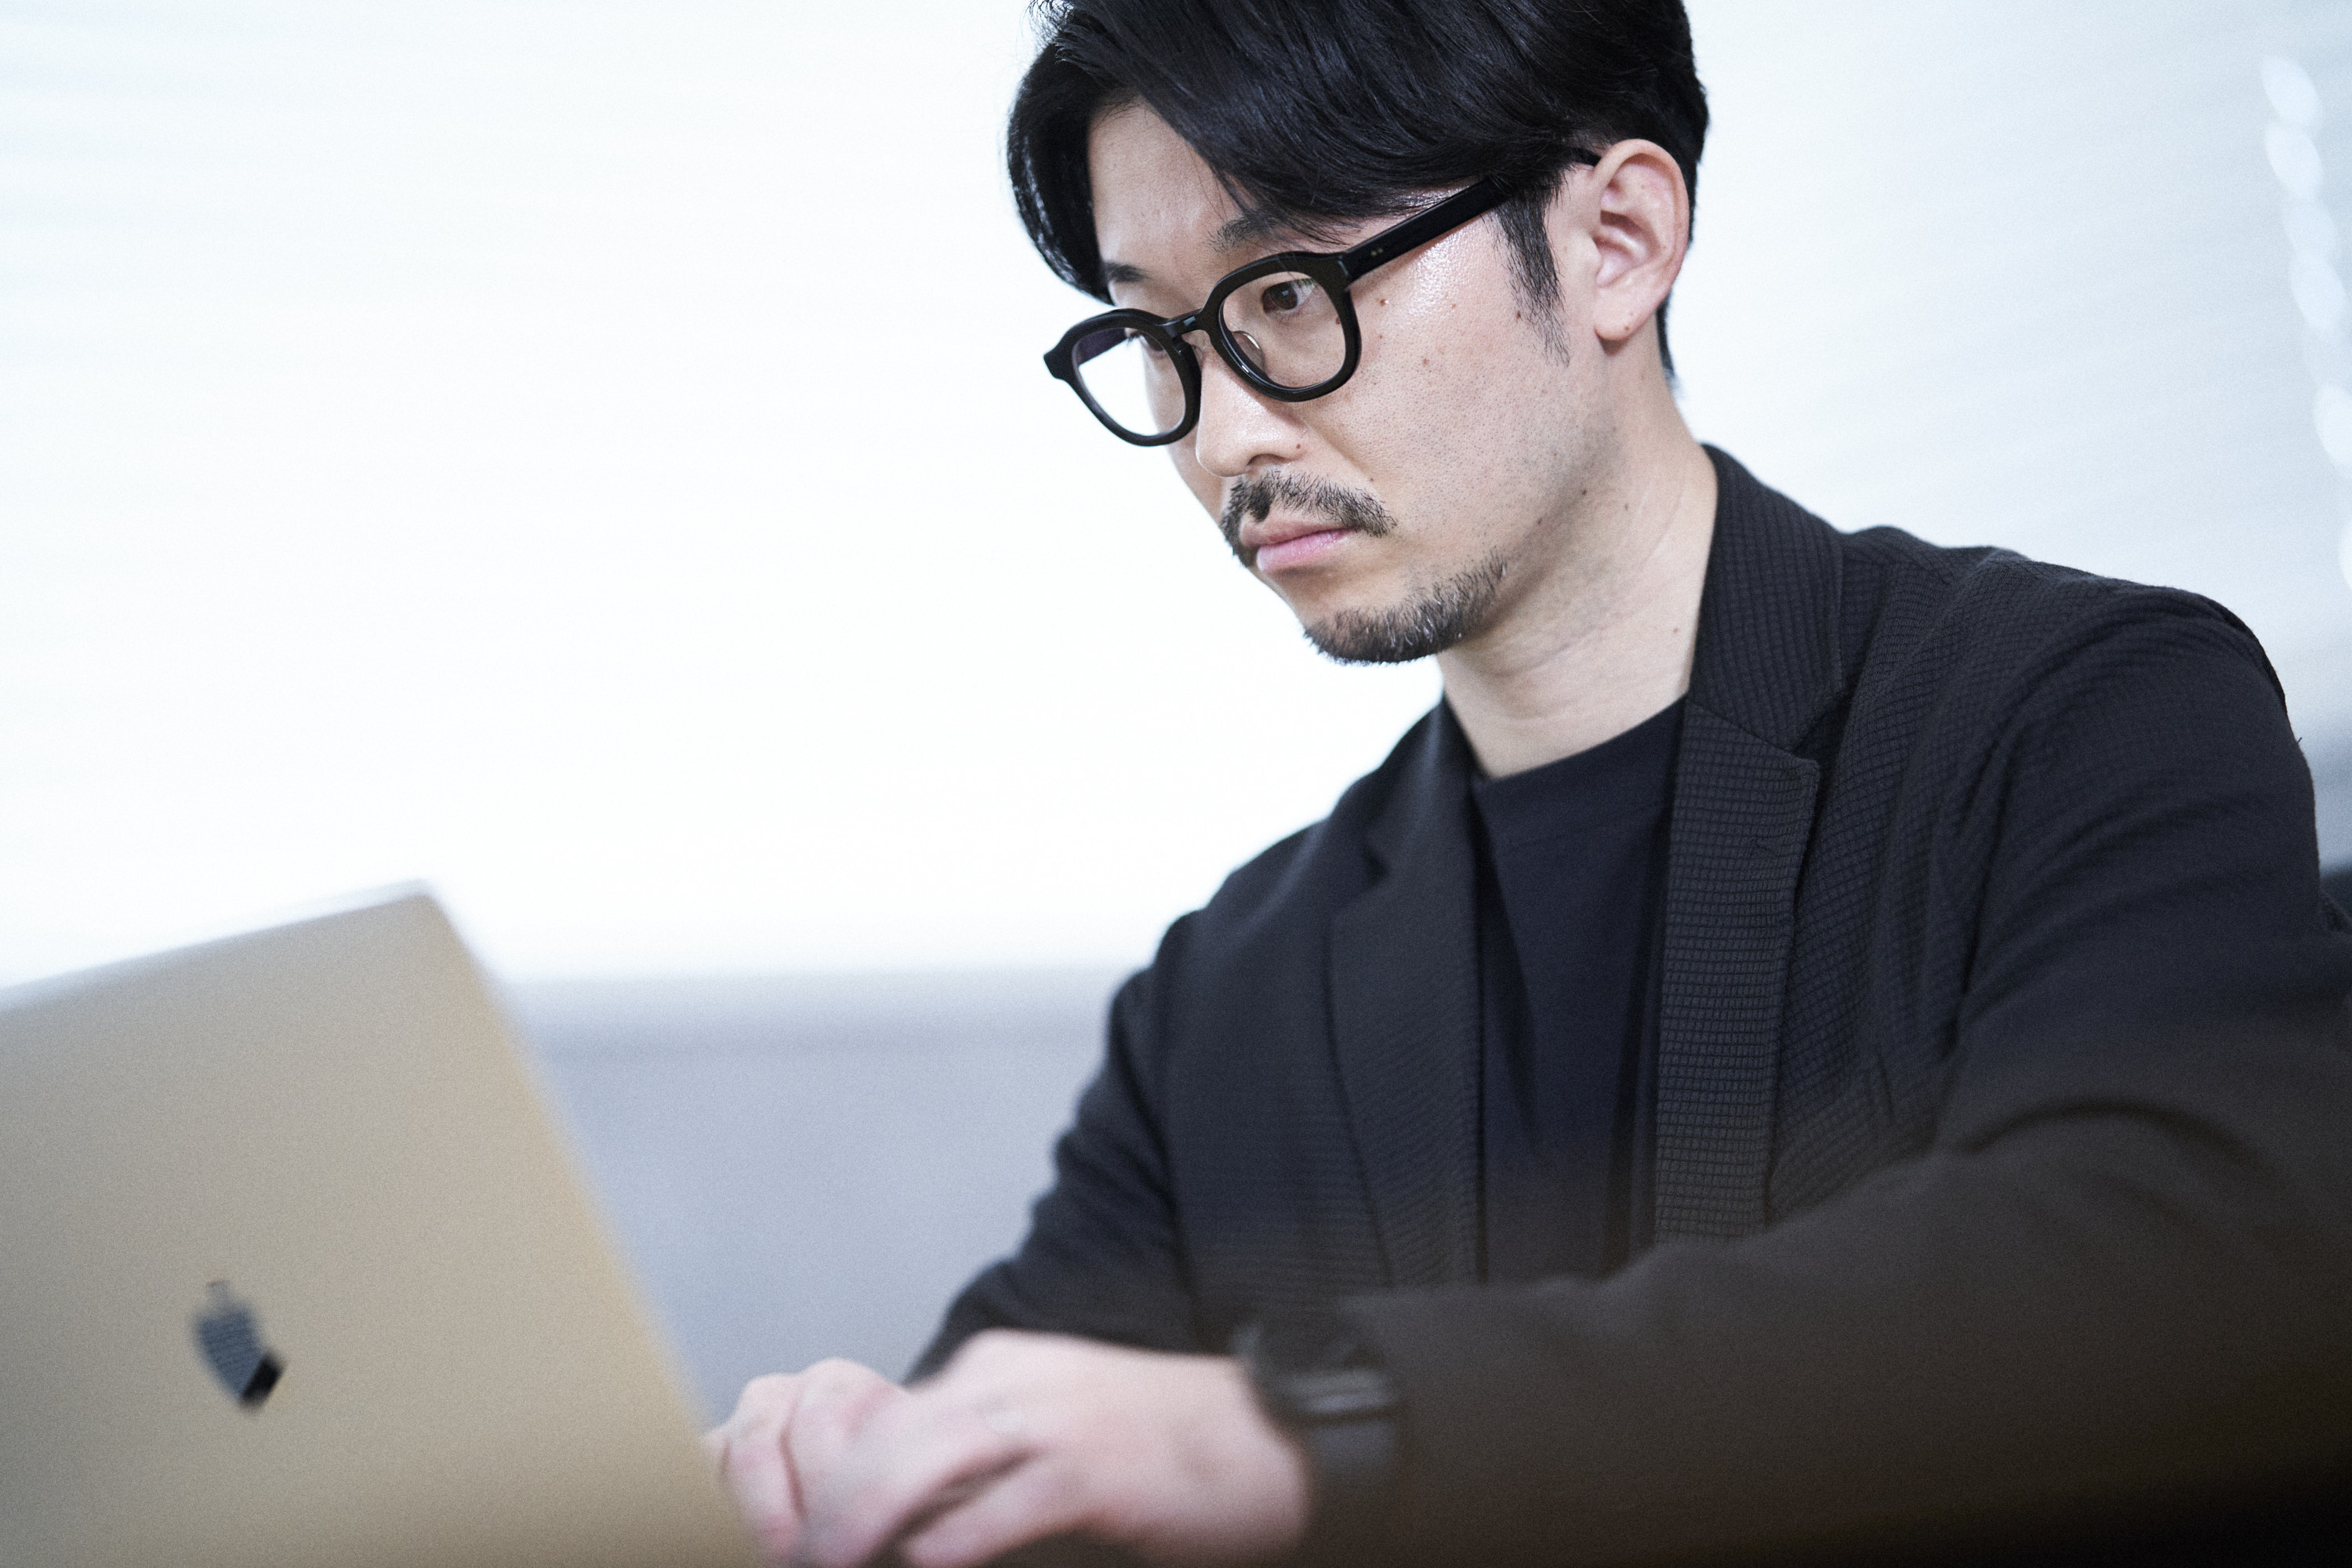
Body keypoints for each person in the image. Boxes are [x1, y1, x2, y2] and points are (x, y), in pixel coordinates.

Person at [705, 2, 2352, 1563]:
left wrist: (1309, 1427)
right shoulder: (1225, 1003)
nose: (1221, 439)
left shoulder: (2081, 712)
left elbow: (2171, 1261)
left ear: (1616, 239)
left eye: (1288, 292)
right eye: (1158, 336)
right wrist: (856, 1462)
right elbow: (1021, 1441)